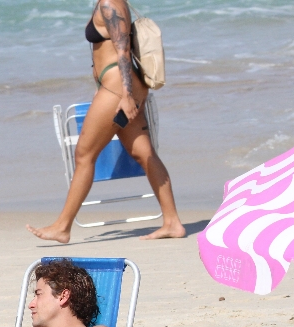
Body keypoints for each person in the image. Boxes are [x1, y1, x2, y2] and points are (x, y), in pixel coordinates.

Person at [28, 0, 186, 244]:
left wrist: (124, 95)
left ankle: (62, 227)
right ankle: (172, 222)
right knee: (144, 153)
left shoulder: (110, 4)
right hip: (115, 85)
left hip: (118, 87)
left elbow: (122, 50)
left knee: (84, 155)